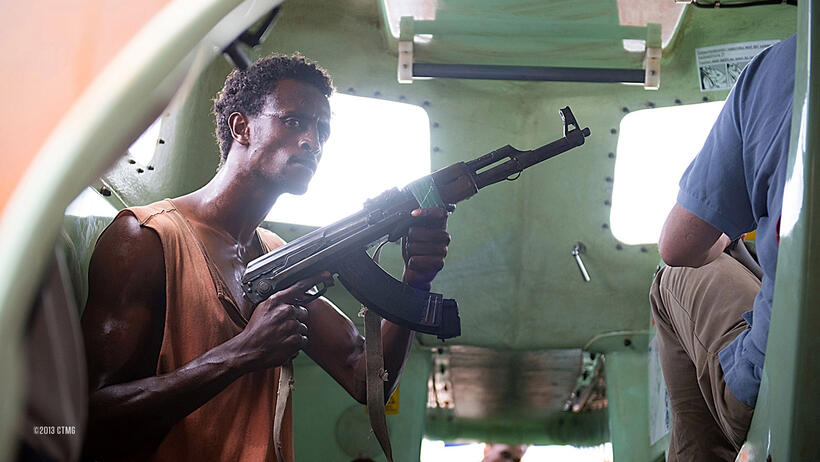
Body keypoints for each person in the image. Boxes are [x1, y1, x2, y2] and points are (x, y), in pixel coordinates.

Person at [80, 55, 452, 461]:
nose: (313, 141)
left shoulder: (277, 254)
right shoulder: (146, 237)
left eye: (321, 130)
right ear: (241, 127)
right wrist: (241, 354)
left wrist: (415, 280)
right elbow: (88, 419)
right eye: (293, 122)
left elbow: (364, 377)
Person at [651, 35, 796, 461]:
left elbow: (679, 247)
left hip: (783, 385)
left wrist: (726, 236)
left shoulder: (784, 65)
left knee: (672, 278)